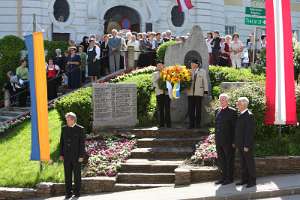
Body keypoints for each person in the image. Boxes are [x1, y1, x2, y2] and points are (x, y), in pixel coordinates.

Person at [59, 112, 85, 199]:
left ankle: (77, 192)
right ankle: (68, 193)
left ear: (73, 120)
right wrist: (61, 154)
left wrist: (81, 156)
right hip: (66, 156)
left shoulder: (80, 129)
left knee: (77, 175)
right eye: (66, 119)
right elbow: (61, 142)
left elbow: (82, 144)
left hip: (77, 157)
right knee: (67, 175)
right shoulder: (64, 128)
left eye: (68, 119)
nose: (67, 121)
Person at [234, 97, 256, 188]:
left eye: (238, 103)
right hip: (240, 145)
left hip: (246, 145)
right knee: (243, 163)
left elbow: (249, 132)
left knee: (249, 163)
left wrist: (246, 145)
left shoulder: (249, 115)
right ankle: (244, 180)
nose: (236, 104)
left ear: (244, 104)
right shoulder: (241, 114)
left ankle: (252, 181)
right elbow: (239, 131)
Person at [215, 93, 237, 185]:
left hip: (228, 141)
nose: (221, 101)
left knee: (229, 160)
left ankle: (229, 178)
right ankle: (222, 178)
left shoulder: (232, 111)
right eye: (220, 100)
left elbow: (235, 128)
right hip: (219, 141)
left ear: (227, 101)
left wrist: (234, 141)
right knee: (221, 160)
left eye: (223, 99)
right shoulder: (217, 111)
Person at [187, 59, 209, 129]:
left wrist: (205, 91)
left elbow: (205, 81)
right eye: (191, 64)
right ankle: (191, 124)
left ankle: (198, 124)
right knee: (191, 109)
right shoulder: (188, 71)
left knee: (198, 109)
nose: (191, 65)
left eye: (193, 64)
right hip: (190, 93)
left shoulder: (202, 71)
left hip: (199, 92)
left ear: (196, 64)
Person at [152, 62, 171, 128]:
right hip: (159, 92)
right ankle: (161, 124)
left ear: (163, 66)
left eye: (160, 65)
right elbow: (154, 83)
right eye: (158, 65)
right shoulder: (154, 74)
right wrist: (160, 86)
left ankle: (168, 124)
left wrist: (166, 87)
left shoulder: (167, 73)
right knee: (160, 108)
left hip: (167, 93)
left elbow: (170, 82)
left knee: (167, 108)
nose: (159, 66)